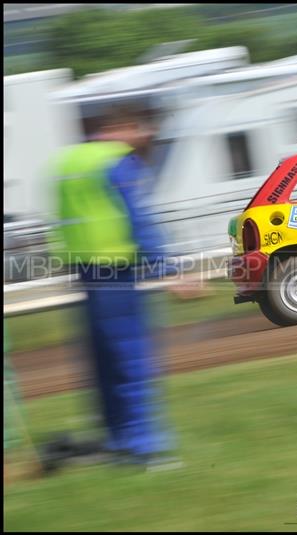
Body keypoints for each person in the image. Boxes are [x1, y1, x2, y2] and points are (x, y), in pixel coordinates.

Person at [48, 106, 181, 471]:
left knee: (103, 365)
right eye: (138, 128)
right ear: (120, 128)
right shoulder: (117, 161)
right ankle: (145, 449)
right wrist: (168, 269)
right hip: (117, 274)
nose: (142, 137)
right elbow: (137, 217)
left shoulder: (68, 163)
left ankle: (116, 442)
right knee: (132, 361)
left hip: (85, 275)